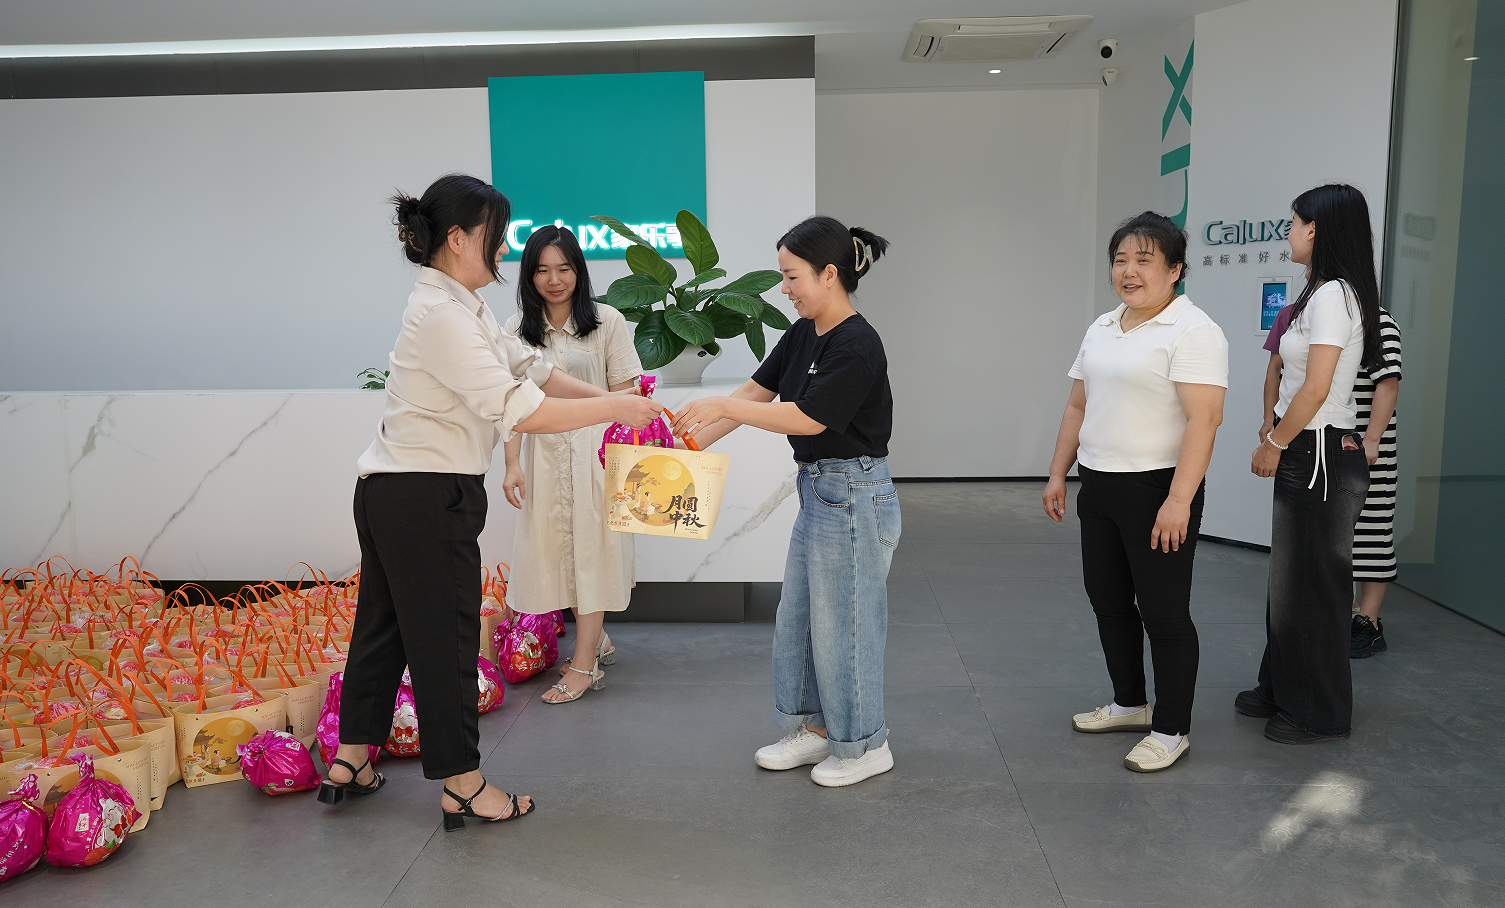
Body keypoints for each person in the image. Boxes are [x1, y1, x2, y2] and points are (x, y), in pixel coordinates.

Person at [322, 174, 661, 827]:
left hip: (396, 490)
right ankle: (463, 784)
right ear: (457, 238)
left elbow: (531, 368)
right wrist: (616, 407)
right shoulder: (443, 317)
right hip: (424, 496)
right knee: (445, 643)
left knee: (382, 627)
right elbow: (517, 408)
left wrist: (609, 398)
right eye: (496, 237)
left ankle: (352, 759)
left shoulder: (462, 307)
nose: (504, 251)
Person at [671, 216, 899, 788]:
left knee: (845, 626)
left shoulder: (858, 343)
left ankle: (864, 745)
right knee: (799, 618)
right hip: (819, 491)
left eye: (792, 276)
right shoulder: (803, 333)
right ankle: (815, 729)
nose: (784, 288)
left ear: (829, 274)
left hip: (854, 495)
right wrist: (681, 446)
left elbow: (809, 417)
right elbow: (756, 390)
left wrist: (725, 407)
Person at [1042, 211, 1228, 773]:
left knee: (1164, 614)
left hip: (1157, 489)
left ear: (1175, 270)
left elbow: (1204, 420)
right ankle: (1130, 703)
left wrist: (1179, 500)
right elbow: (1078, 405)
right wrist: (1058, 472)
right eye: (1121, 260)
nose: (1129, 271)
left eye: (1144, 260)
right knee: (1108, 601)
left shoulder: (1193, 330)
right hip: (1099, 483)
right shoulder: (1102, 326)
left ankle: (1171, 729)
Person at [1240, 183, 1384, 744]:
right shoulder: (1318, 292)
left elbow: (1318, 387)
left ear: (1315, 229)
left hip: (1319, 450)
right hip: (1309, 448)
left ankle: (1319, 712)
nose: (1289, 231)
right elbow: (1291, 375)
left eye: (1294, 221)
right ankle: (1281, 687)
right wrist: (1277, 429)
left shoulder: (1333, 296)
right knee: (1289, 581)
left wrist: (1275, 442)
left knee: (1313, 588)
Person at [502, 226, 644, 703]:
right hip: (544, 455)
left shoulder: (608, 321)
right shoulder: (514, 330)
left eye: (564, 268)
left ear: (579, 272)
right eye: (542, 270)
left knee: (593, 553)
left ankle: (585, 665)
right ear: (529, 276)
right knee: (557, 556)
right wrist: (512, 464)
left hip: (597, 457)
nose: (554, 280)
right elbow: (510, 405)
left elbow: (626, 395)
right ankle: (595, 639)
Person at [1260, 300, 1402, 659]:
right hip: (1332, 442)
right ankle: (1342, 617)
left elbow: (1388, 384)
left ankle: (1368, 622)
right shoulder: (1314, 315)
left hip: (1364, 443)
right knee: (1335, 538)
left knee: (1372, 531)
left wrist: (1372, 440)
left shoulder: (1378, 321)